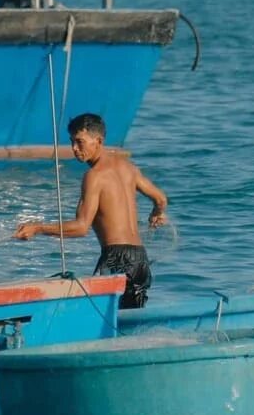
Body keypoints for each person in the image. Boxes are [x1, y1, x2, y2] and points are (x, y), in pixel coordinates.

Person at [14, 113, 167, 309]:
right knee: (129, 319)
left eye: (80, 142)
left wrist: (38, 228)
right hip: (140, 259)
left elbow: (81, 227)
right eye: (72, 142)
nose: (74, 148)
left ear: (99, 141)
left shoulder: (94, 176)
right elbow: (160, 199)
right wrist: (157, 213)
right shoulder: (129, 168)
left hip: (116, 258)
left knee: (99, 316)